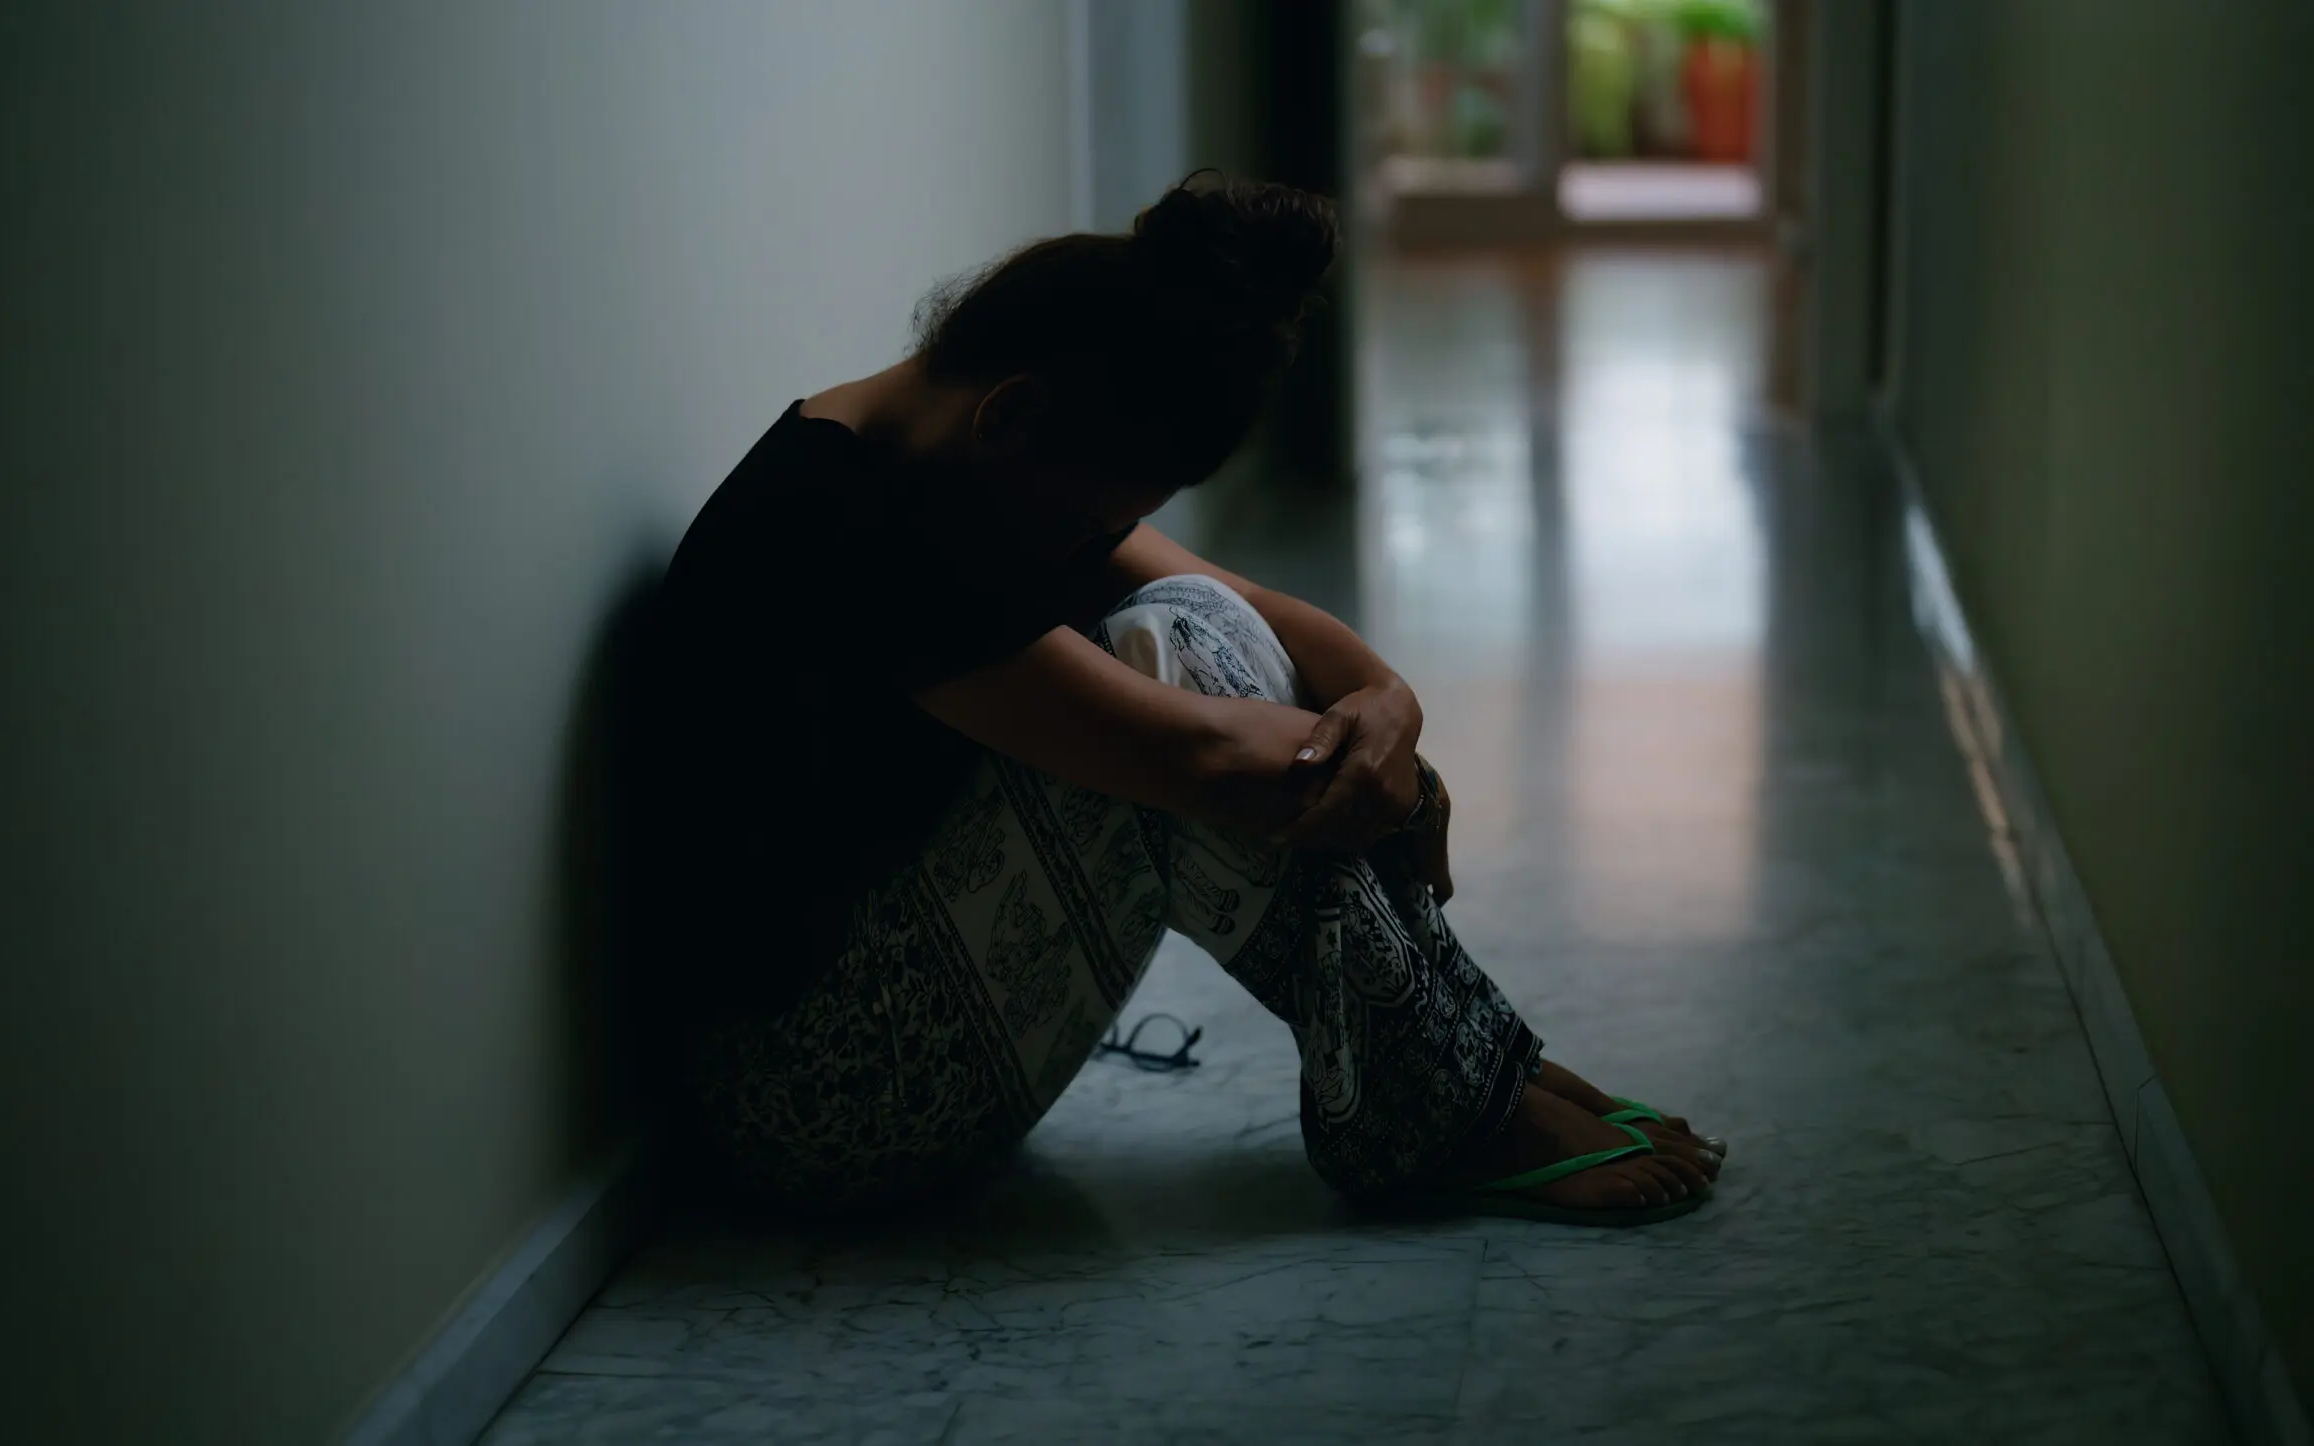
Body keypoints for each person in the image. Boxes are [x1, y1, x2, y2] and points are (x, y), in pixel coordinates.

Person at [639, 174, 1724, 1225]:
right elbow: (1206, 756)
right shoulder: (848, 527)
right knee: (1190, 664)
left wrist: (1389, 706)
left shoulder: (953, 455)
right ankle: (1453, 1102)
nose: (1087, 545)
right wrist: (1399, 784)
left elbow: (1260, 613)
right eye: (1086, 521)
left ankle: (1462, 1067)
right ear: (1011, 416)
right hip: (826, 1099)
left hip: (905, 1019)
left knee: (1202, 620)